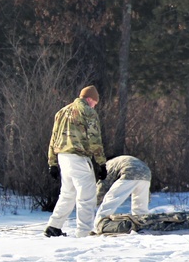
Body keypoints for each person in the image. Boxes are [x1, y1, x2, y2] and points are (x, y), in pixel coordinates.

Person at [44, 85, 107, 238]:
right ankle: (84, 232)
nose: (95, 106)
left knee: (67, 194)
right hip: (78, 157)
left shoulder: (62, 112)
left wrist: (52, 163)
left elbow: (53, 138)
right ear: (89, 99)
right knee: (86, 195)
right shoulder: (88, 112)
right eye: (95, 103)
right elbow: (94, 139)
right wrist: (101, 163)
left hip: (63, 158)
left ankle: (54, 226)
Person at [93, 155, 151, 229]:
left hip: (129, 171)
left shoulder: (108, 165)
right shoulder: (122, 160)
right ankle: (142, 224)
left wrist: (95, 201)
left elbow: (104, 185)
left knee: (111, 199)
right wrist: (147, 198)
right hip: (146, 173)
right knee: (140, 207)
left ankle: (99, 224)